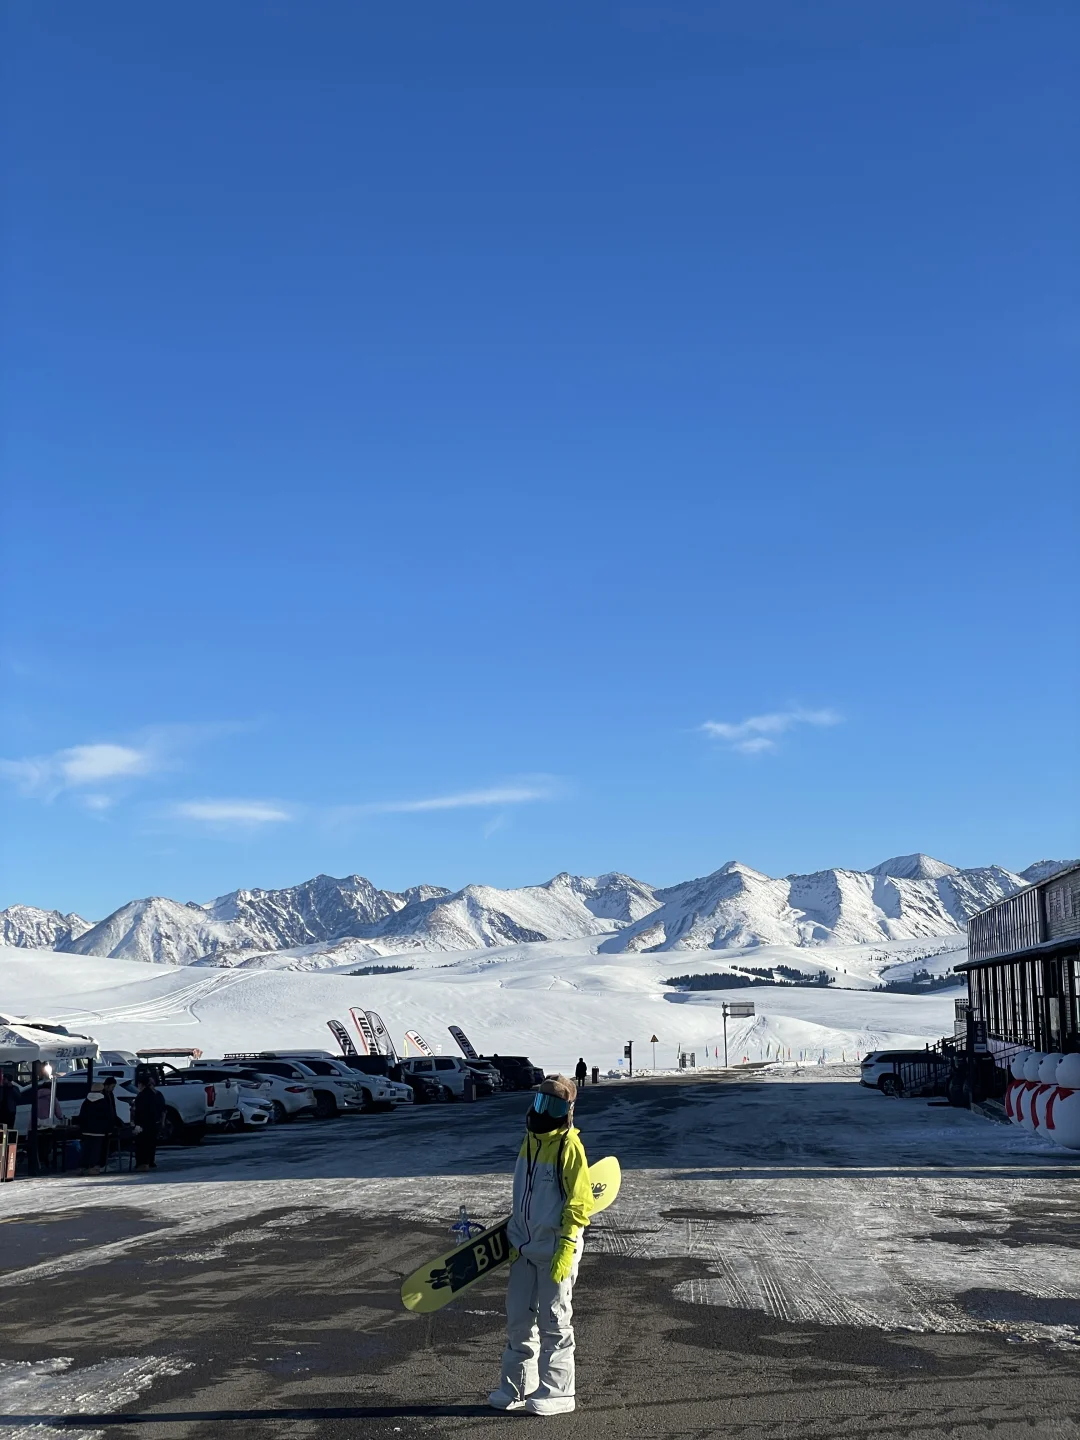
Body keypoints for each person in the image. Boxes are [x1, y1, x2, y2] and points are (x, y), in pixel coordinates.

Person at [488, 1075, 593, 1416]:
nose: (544, 1112)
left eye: (554, 1106)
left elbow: (579, 1202)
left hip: (554, 1251)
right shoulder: (530, 1142)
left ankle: (559, 1393)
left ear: (567, 1110)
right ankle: (517, 1387)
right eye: (540, 1103)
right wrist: (515, 1236)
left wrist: (566, 1247)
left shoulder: (568, 1146)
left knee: (554, 1323)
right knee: (519, 1321)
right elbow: (523, 1197)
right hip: (524, 1248)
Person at [131, 1070, 165, 1172]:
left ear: (142, 1084)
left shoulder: (141, 1096)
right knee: (150, 1144)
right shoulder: (156, 1095)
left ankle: (142, 1164)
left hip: (144, 1124)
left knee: (142, 1145)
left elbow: (139, 1112)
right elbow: (162, 1109)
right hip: (154, 1123)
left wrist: (136, 1124)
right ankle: (149, 1162)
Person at [77, 1082, 112, 1174]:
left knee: (86, 1149)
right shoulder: (103, 1101)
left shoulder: (86, 1101)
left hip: (86, 1130)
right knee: (96, 1149)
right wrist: (108, 1129)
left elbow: (81, 1116)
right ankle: (93, 1167)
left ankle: (82, 1167)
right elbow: (107, 1116)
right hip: (99, 1130)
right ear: (101, 1090)